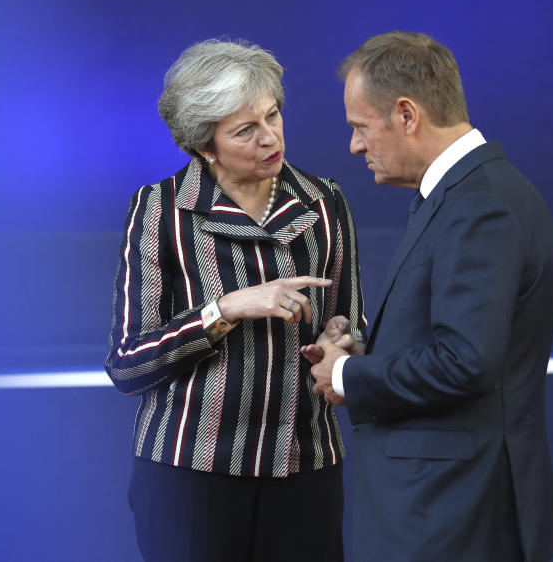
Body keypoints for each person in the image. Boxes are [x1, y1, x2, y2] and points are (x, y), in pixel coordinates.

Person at [304, 31, 553, 561]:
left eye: (360, 127)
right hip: (447, 510)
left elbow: (465, 361)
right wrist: (366, 351)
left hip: (448, 517)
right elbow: (458, 337)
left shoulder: (479, 207)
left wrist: (346, 376)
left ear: (406, 114)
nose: (355, 146)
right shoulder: (469, 194)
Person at [105, 38, 366, 562]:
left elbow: (350, 319)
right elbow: (128, 364)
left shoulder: (324, 199)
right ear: (205, 146)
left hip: (305, 467)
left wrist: (342, 341)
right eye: (245, 130)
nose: (270, 138)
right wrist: (222, 310)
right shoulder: (160, 211)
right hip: (188, 474)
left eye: (272, 116)